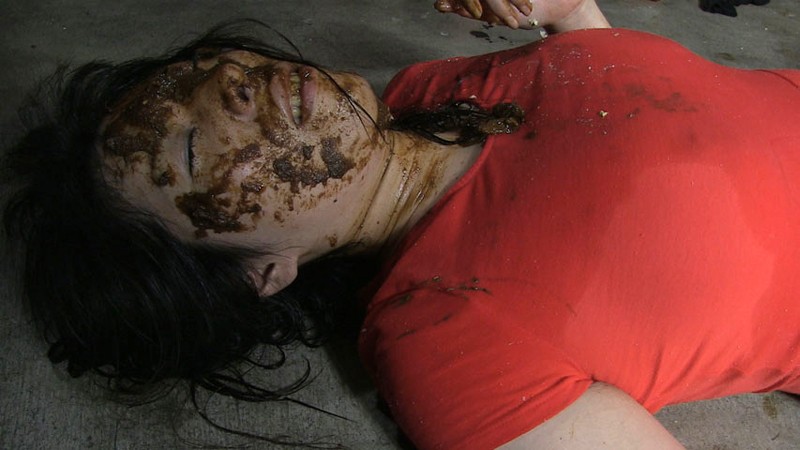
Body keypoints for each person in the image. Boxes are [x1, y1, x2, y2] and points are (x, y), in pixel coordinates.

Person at [3, 0, 799, 448]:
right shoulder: (444, 343)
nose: (233, 87)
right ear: (259, 272)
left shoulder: (435, 89)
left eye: (203, 73)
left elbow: (660, 107)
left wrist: (566, 9)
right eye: (189, 148)